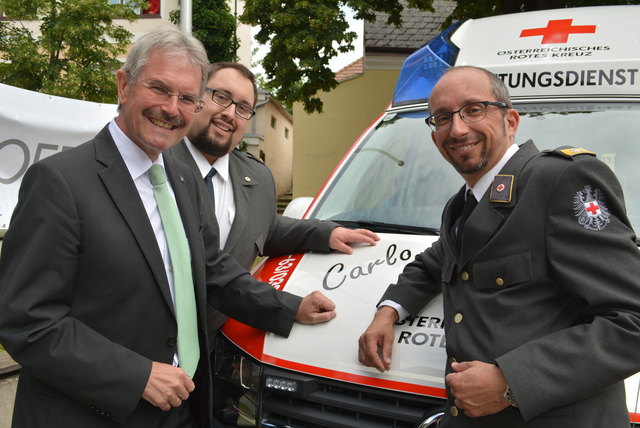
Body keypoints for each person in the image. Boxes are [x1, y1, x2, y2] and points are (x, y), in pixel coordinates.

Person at [0, 26, 335, 428]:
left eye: (187, 98)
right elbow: (26, 321)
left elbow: (212, 269)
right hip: (90, 412)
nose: (172, 108)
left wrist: (290, 307)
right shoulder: (59, 182)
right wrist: (135, 375)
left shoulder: (182, 176)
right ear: (124, 86)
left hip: (184, 409)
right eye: (159, 88)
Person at [358, 66, 640, 427]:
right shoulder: (463, 204)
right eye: (442, 118)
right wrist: (388, 311)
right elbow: (436, 262)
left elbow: (632, 321)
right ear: (434, 136)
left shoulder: (558, 181)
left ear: (511, 120)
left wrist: (511, 382)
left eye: (474, 110)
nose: (457, 129)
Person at [169, 62, 379, 334]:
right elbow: (204, 267)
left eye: (243, 108)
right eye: (221, 97)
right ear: (197, 98)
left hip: (217, 348)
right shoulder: (157, 164)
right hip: (150, 350)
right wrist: (286, 306)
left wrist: (327, 233)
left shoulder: (256, 177)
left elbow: (263, 229)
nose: (229, 113)